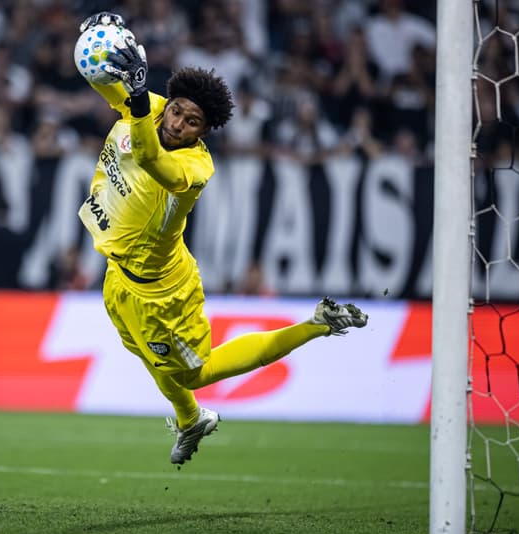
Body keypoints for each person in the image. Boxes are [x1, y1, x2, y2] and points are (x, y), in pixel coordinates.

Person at [75, 13, 369, 466]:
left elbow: (153, 161)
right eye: (177, 111)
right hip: (118, 276)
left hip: (163, 292)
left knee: (196, 371)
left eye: (192, 122)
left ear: (203, 133)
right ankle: (191, 421)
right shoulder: (149, 107)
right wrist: (98, 41)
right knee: (154, 362)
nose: (177, 124)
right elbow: (99, 79)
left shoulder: (195, 169)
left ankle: (318, 324)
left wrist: (133, 98)